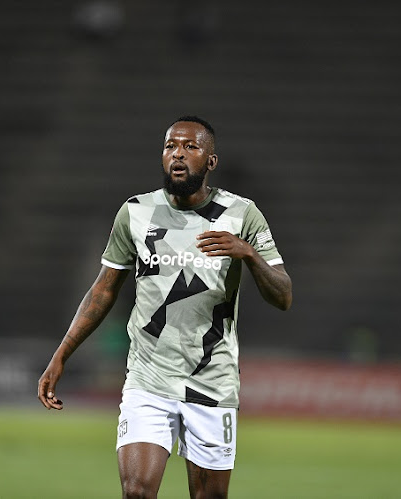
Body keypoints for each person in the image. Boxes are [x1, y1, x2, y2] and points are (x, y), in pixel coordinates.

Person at [38, 115, 292, 498]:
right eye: (171, 145)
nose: (178, 154)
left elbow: (283, 296)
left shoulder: (242, 215)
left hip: (212, 383)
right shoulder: (136, 212)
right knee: (137, 491)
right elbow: (102, 292)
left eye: (191, 147)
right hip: (148, 379)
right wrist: (61, 355)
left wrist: (250, 255)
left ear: (211, 161)